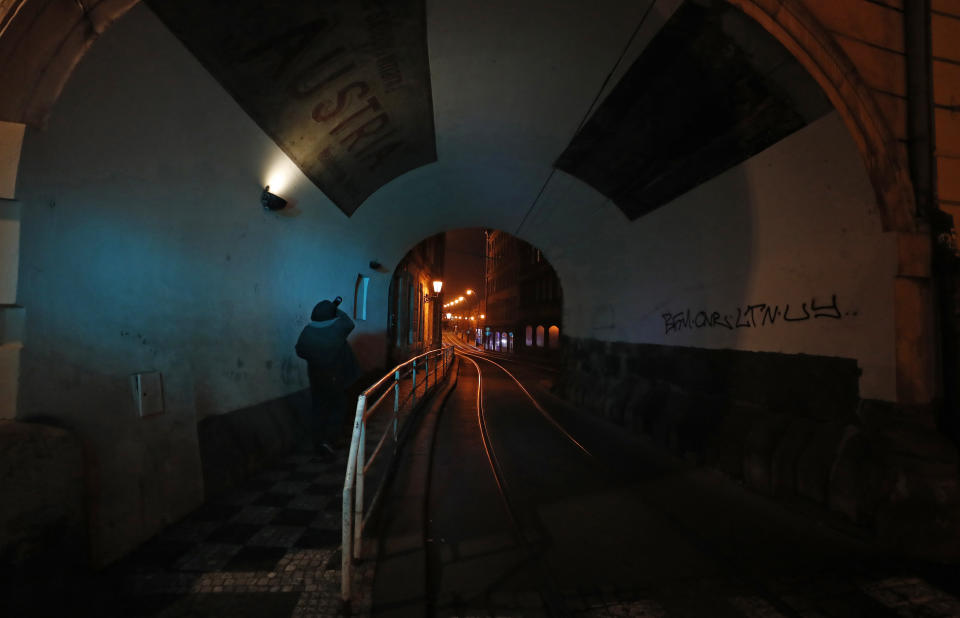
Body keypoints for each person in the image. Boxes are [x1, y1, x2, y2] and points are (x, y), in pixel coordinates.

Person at [295, 296, 359, 458]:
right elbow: (349, 322)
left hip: (316, 377)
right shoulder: (338, 328)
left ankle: (318, 441)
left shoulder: (308, 330)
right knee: (338, 407)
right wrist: (335, 307)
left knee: (318, 408)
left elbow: (300, 350)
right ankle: (330, 440)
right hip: (337, 377)